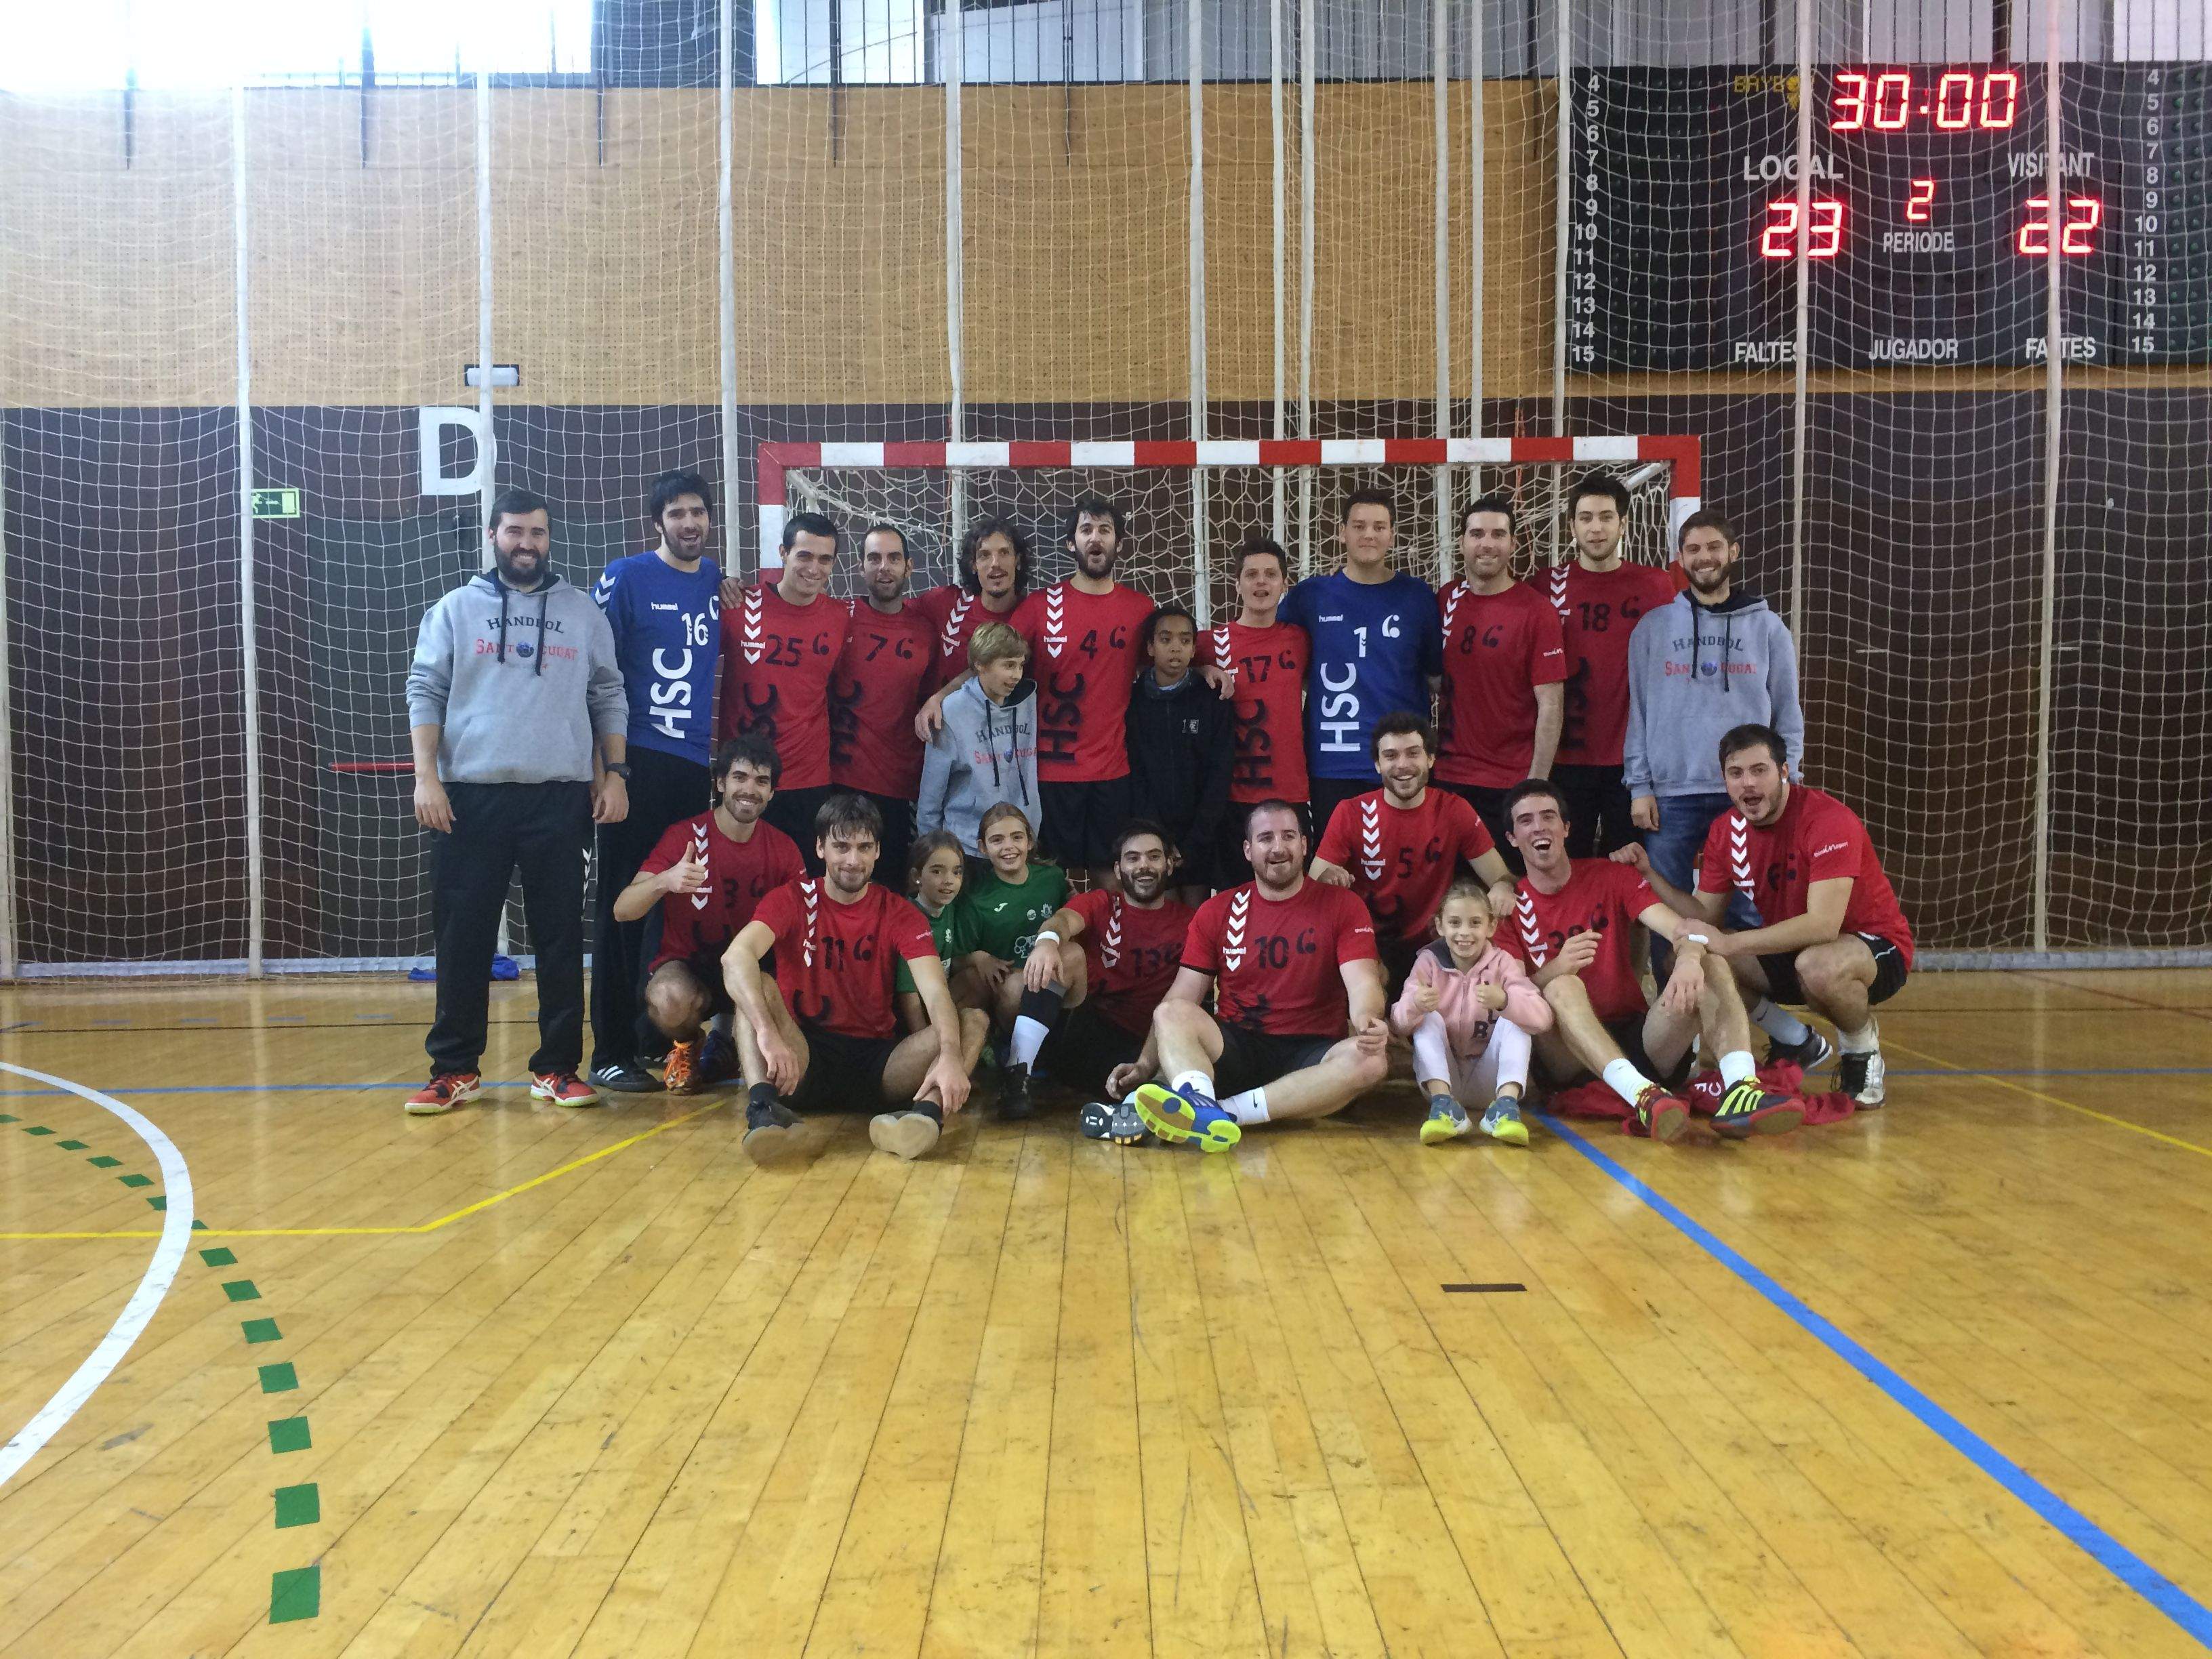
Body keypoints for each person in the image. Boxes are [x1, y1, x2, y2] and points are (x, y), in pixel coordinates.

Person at [403, 487, 629, 1115]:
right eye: (514, 532)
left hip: (559, 799)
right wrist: (428, 778)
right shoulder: (454, 610)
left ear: (549, 538)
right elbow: (425, 690)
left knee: (560, 938)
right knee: (463, 937)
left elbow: (609, 695)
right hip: (469, 799)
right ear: (493, 536)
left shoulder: (583, 613)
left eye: (536, 532)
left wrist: (615, 774)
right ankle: (454, 1069)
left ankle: (556, 1068)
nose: (525, 543)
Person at [1498, 779, 1801, 1143]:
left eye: (1548, 817)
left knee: (1711, 962)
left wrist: (1689, 957)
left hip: (1638, 1037)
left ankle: (1741, 1088)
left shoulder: (1610, 876)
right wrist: (1554, 969)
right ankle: (1640, 1095)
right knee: (1563, 985)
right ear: (1513, 838)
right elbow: (1510, 998)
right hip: (1567, 1056)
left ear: (1566, 828)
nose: (1539, 827)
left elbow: (1683, 929)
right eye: (1526, 821)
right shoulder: (1508, 906)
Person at [722, 795, 986, 1163]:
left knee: (972, 1022)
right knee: (758, 984)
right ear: (820, 848)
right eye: (841, 846)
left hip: (878, 1065)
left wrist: (951, 1056)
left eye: (864, 847)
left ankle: (924, 1118)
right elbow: (735, 957)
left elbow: (936, 993)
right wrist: (766, 1031)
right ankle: (764, 1113)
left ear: (878, 851)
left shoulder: (898, 911)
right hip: (802, 1058)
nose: (853, 860)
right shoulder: (792, 898)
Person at [1662, 724, 1914, 1109]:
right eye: (1736, 773)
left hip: (1872, 948)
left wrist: (1731, 941)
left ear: (1784, 771)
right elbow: (1703, 916)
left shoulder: (1826, 819)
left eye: (1759, 770)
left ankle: (1861, 1049)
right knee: (1699, 960)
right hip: (1794, 950)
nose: (1748, 784)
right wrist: (1647, 881)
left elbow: (1822, 925)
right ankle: (1796, 1040)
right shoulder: (1726, 831)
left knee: (1818, 966)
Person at [1126, 801, 1389, 1152]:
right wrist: (1145, 1064)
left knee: (1371, 1060)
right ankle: (1205, 1106)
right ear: (1248, 851)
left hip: (1312, 1054)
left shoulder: (1342, 904)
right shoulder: (1217, 910)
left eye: (1288, 837)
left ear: (1305, 846)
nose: (1278, 848)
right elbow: (1182, 995)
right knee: (1170, 1011)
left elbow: (1363, 982)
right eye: (1266, 838)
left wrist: (1368, 1020)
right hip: (1238, 1046)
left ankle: (1218, 1114)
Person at [585, 469, 723, 1094]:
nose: (689, 523)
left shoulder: (719, 582)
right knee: (620, 905)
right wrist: (605, 774)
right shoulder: (627, 576)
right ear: (657, 521)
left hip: (693, 770)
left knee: (672, 910)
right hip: (634, 761)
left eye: (698, 512)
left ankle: (657, 1044)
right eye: (677, 513)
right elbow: (594, 677)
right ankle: (609, 1050)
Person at [1623, 510, 1803, 974]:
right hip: (1671, 795)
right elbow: (1637, 711)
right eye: (1694, 550)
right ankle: (1676, 1035)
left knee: (1745, 918)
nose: (1704, 558)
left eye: (1713, 547)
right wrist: (1639, 785)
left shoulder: (1768, 629)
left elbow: (1788, 714)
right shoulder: (1653, 628)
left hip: (1747, 795)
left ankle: (1744, 1030)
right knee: (1672, 919)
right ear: (1680, 558)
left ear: (1732, 553)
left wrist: (1788, 782)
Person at [609, 737, 804, 1094]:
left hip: (751, 971)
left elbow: (806, 925)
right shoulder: (684, 836)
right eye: (740, 778)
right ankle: (688, 1045)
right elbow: (623, 910)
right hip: (692, 971)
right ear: (720, 783)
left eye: (761, 782)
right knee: (668, 999)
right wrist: (665, 881)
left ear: (773, 792)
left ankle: (731, 1040)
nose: (750, 790)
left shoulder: (784, 849)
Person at [1008, 820, 1195, 1141]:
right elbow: (1063, 920)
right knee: (1064, 955)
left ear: (1170, 863)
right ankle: (1016, 1076)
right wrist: (1046, 942)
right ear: (1118, 869)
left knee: (1167, 1073)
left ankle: (1137, 1109)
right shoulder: (1102, 902)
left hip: (1152, 1044)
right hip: (1088, 1035)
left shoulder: (1191, 922)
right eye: (1133, 858)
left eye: (1153, 857)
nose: (1144, 866)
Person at [1010, 495, 1156, 886]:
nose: (1096, 538)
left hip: (1112, 769)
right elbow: (993, 663)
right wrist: (941, 696)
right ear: (1071, 543)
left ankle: (1109, 949)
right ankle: (1056, 949)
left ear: (1119, 544)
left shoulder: (1141, 609)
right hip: (1051, 770)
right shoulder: (1039, 606)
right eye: (1086, 530)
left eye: (1105, 530)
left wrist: (1207, 666)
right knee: (1052, 877)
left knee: (1111, 875)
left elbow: (1170, 662)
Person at [1310, 712, 1517, 989]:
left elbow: (1502, 877)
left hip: (1439, 944)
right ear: (1377, 764)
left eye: (1413, 754)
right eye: (1391, 756)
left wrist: (1503, 887)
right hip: (1368, 944)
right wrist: (1329, 879)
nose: (1403, 765)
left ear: (1430, 759)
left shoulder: (1454, 809)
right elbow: (1312, 887)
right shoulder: (1350, 812)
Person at [1279, 489, 1443, 833]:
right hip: (1333, 762)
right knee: (1335, 874)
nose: (1369, 534)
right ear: (1342, 532)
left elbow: (1434, 678)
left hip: (1402, 763)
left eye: (1379, 526)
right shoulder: (1310, 596)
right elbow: (1277, 655)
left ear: (1392, 534)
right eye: (1359, 525)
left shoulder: (1418, 596)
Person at [1547, 474, 1679, 857]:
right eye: (1585, 518)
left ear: (1623, 523)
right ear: (1572, 525)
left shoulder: (1656, 585)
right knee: (1567, 867)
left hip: (1635, 761)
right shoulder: (1548, 586)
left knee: (1633, 872)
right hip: (1566, 757)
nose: (1596, 528)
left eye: (1606, 517)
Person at [1434, 494, 1565, 865]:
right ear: (1462, 542)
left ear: (1513, 543)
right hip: (1449, 778)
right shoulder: (1447, 600)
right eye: (1477, 534)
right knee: (1454, 904)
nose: (1487, 543)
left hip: (1510, 782)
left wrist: (1535, 785)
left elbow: (1551, 704)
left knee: (1506, 897)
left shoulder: (1537, 612)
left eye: (1498, 534)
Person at [719, 510, 849, 859]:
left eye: (825, 559)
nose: (813, 568)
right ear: (783, 553)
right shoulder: (738, 605)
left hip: (808, 779)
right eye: (804, 555)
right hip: (744, 779)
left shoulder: (841, 617)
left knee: (802, 887)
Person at [1389, 880, 1553, 1147]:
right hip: (1443, 1080)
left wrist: (1505, 1001)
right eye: (1455, 923)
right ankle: (1444, 1109)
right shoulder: (1428, 962)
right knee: (1428, 1018)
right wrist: (1415, 1004)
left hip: (1490, 1081)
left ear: (1491, 926)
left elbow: (1543, 1019)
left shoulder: (1502, 963)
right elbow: (1398, 1023)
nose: (1464, 933)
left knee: (1516, 1019)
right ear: (1440, 926)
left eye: (1475, 923)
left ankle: (1505, 1107)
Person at [949, 803, 1070, 1120]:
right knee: (1013, 984)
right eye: (997, 840)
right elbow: (956, 955)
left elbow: (1073, 921)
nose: (1009, 847)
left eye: (1017, 837)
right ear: (981, 847)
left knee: (1072, 956)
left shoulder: (1053, 878)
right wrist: (981, 957)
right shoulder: (976, 895)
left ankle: (1050, 1049)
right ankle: (1006, 1052)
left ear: (1030, 841)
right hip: (1007, 991)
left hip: (1054, 987)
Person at [1200, 536, 1311, 884]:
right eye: (1251, 575)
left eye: (1270, 574)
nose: (1261, 582)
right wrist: (1201, 670)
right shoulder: (1210, 643)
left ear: (1284, 584)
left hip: (1291, 792)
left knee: (1292, 896)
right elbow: (1152, 666)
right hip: (1233, 797)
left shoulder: (1300, 639)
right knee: (1238, 897)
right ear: (1237, 585)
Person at [830, 523, 935, 885]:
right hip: (841, 782)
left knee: (890, 890)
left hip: (901, 788)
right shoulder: (838, 618)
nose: (883, 567)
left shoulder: (926, 629)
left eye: (893, 558)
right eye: (873, 558)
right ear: (860, 567)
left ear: (909, 566)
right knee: (840, 885)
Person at [1124, 603, 1233, 902]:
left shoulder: (1213, 698)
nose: (1176, 648)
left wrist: (1197, 838)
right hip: (1153, 835)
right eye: (1166, 639)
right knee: (1163, 917)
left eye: (1185, 641)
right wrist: (1158, 836)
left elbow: (1219, 773)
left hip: (1200, 836)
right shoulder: (1132, 703)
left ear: (1194, 648)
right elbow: (1135, 773)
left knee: (1196, 916)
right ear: (1149, 647)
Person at [915, 622, 1039, 861]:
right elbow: (932, 791)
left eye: (1020, 666)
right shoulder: (952, 710)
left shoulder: (1029, 701)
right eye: (1008, 666)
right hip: (968, 847)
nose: (1016, 675)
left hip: (1019, 844)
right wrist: (931, 853)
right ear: (980, 665)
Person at [912, 513, 1032, 692]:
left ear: (1018, 561)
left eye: (1004, 553)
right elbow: (894, 614)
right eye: (984, 555)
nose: (995, 564)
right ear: (973, 564)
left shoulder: (1035, 614)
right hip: (944, 718)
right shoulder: (945, 602)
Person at [895, 831, 984, 1029]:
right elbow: (907, 993)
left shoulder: (951, 907)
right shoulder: (907, 919)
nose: (949, 880)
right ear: (917, 876)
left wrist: (978, 957)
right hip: (914, 1007)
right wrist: (922, 1037)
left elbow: (949, 960)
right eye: (937, 871)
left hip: (940, 998)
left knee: (977, 978)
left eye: (956, 872)